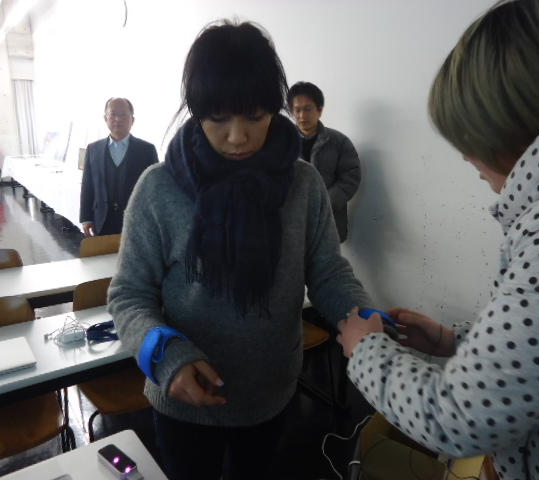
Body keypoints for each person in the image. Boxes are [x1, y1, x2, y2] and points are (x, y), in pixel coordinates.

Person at [337, 1, 539, 479]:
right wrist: (455, 341)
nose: (464, 158)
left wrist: (365, 351)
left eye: (466, 137)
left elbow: (457, 418)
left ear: (509, 124)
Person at [108, 21, 372, 480]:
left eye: (254, 116)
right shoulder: (158, 188)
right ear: (197, 112)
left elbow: (328, 272)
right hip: (184, 401)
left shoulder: (303, 184)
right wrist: (166, 357)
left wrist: (366, 320)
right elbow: (129, 295)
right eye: (219, 118)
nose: (237, 136)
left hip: (271, 394)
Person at [288, 82, 361, 242]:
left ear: (319, 110)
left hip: (329, 221)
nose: (302, 116)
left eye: (308, 109)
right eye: (297, 110)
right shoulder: (282, 143)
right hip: (291, 223)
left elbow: (351, 177)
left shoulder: (339, 142)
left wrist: (324, 202)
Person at [79, 97, 158, 237]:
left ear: (132, 120)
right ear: (105, 118)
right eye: (113, 114)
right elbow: (87, 186)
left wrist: (154, 221)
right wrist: (86, 218)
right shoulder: (93, 149)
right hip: (101, 221)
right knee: (102, 252)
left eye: (123, 114)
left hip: (136, 221)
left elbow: (154, 188)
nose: (117, 119)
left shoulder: (147, 150)